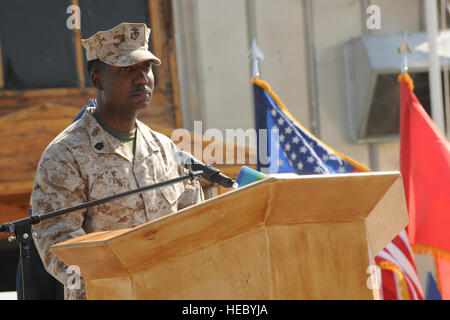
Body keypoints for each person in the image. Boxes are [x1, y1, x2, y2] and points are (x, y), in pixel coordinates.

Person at [30, 22, 204, 300]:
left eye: (146, 68)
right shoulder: (64, 155)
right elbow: (57, 243)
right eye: (127, 69)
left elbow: (195, 228)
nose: (142, 78)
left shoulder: (165, 149)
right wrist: (115, 286)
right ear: (97, 80)